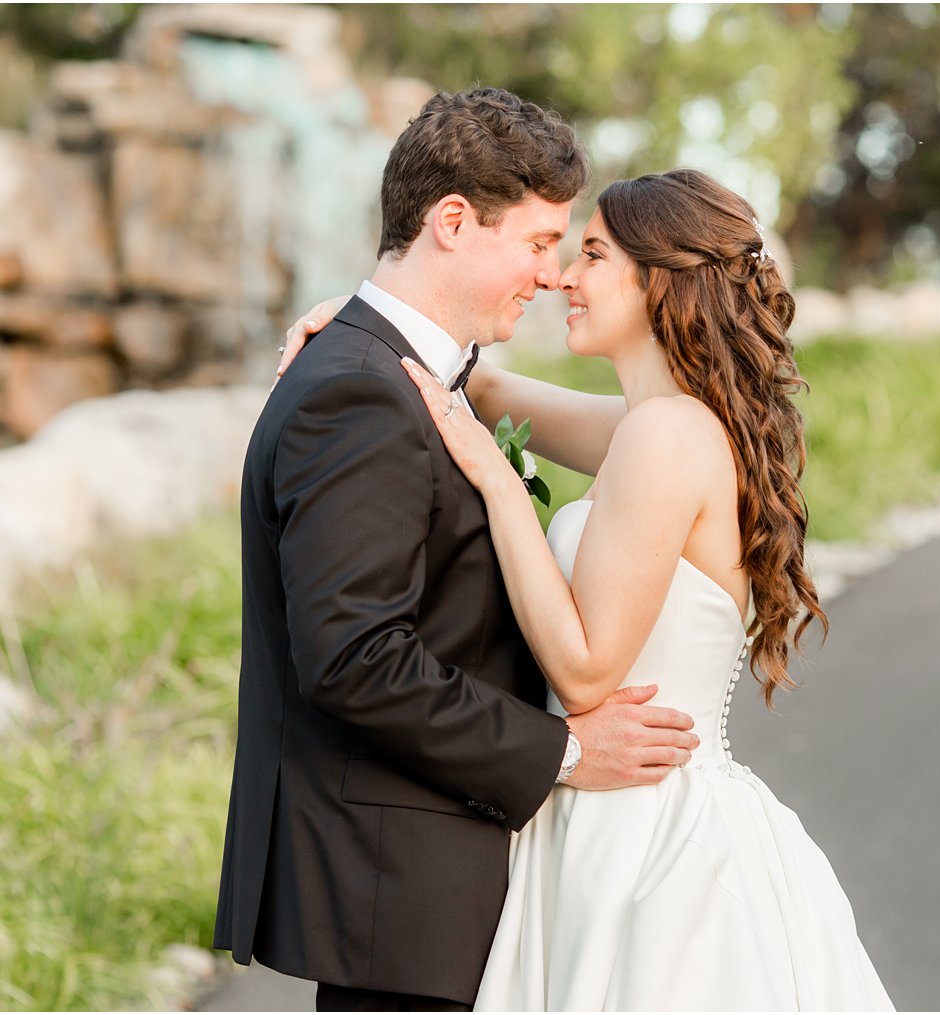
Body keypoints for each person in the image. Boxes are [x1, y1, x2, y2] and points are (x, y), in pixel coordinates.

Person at [283, 169, 895, 1010]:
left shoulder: (667, 437)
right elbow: (478, 385)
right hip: (612, 806)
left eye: (593, 255)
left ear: (661, 281)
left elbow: (584, 672)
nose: (563, 277)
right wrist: (362, 325)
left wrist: (502, 486)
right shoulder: (658, 423)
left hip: (643, 835)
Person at [213, 88, 701, 1013]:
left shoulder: (406, 376)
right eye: (536, 242)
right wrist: (562, 750)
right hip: (399, 899)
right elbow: (356, 657)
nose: (551, 273)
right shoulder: (356, 392)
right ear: (451, 222)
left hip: (438, 892)